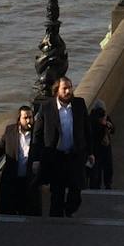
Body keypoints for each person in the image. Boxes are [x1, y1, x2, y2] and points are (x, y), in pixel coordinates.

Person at [31, 75, 93, 218]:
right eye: (65, 88)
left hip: (75, 156)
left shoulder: (79, 104)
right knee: (57, 193)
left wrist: (90, 152)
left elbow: (87, 130)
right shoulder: (46, 107)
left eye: (70, 87)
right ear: (56, 91)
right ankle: (57, 223)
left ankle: (69, 210)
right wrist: (36, 158)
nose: (68, 91)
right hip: (56, 158)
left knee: (76, 192)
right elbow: (37, 135)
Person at [0, 107, 40, 217]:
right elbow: (0, 149)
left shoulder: (38, 132)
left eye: (30, 117)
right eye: (25, 118)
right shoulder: (10, 131)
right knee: (8, 210)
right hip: (12, 178)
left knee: (29, 211)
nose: (28, 120)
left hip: (30, 179)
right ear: (19, 119)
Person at [88, 99, 115, 190]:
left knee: (108, 166)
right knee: (97, 168)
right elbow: (94, 133)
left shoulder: (105, 117)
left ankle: (108, 183)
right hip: (96, 147)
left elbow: (113, 129)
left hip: (106, 147)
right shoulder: (92, 119)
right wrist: (103, 124)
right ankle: (96, 185)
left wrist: (109, 125)